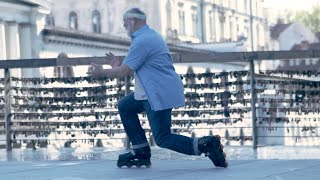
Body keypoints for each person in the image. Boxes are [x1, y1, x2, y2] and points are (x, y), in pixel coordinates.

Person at [87, 7, 228, 168]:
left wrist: (102, 72)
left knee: (162, 138)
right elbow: (131, 68)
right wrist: (117, 65)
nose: (124, 26)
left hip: (156, 94)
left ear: (133, 21)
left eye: (125, 23)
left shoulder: (143, 41)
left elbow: (125, 71)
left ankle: (206, 145)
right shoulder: (148, 37)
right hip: (148, 93)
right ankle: (141, 151)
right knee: (125, 106)